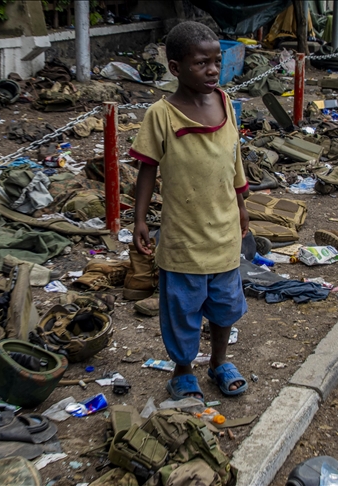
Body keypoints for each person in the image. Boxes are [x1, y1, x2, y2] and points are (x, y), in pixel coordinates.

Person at [129, 21, 249, 401]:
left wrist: (243, 206)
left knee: (224, 308)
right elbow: (147, 168)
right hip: (182, 239)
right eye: (202, 63)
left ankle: (218, 362)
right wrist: (139, 219)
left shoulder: (225, 103)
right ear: (176, 68)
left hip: (224, 235)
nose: (213, 70)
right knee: (182, 311)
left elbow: (234, 159)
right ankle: (183, 371)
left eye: (217, 61)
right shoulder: (161, 115)